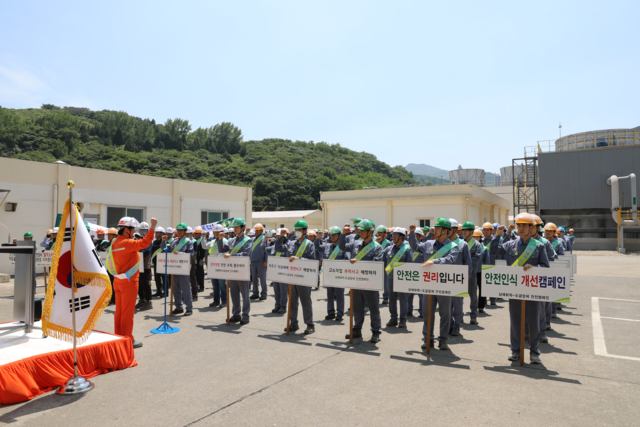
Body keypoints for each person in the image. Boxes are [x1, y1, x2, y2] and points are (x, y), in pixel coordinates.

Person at [490, 213, 550, 365]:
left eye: (524, 226)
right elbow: (493, 251)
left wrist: (535, 267)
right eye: (519, 225)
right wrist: (498, 235)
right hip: (514, 289)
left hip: (532, 290)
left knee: (534, 321)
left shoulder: (538, 246)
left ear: (531, 228)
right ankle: (515, 350)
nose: (521, 228)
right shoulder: (510, 244)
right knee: (515, 321)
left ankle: (534, 351)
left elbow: (546, 267)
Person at [409, 218, 460, 351]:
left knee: (445, 314)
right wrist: (412, 233)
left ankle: (443, 339)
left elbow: (450, 259)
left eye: (437, 228)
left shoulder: (454, 246)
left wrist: (435, 261)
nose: (434, 230)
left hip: (444, 285)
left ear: (445, 231)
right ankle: (428, 339)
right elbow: (414, 247)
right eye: (435, 228)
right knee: (427, 313)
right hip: (429, 284)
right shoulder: (428, 244)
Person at [107, 216, 157, 348]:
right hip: (129, 282)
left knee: (119, 311)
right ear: (127, 230)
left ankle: (118, 336)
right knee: (128, 312)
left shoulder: (115, 243)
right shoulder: (127, 244)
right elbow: (145, 243)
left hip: (118, 281)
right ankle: (128, 338)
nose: (134, 231)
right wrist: (152, 227)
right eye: (133, 228)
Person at [339, 219, 384, 343]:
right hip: (356, 282)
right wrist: (343, 234)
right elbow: (342, 246)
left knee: (373, 308)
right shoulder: (355, 244)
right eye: (359, 230)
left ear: (370, 232)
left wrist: (360, 263)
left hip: (370, 283)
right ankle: (357, 329)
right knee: (357, 307)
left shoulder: (377, 247)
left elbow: (377, 264)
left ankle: (376, 332)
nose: (360, 232)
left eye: (362, 230)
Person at [275, 220, 317, 334]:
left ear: (305, 231)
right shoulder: (291, 243)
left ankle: (310, 324)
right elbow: (278, 248)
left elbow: (313, 261)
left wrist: (300, 259)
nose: (297, 232)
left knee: (305, 301)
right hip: (292, 276)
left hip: (304, 278)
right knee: (292, 301)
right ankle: (293, 323)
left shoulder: (309, 244)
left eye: (300, 230)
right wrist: (281, 236)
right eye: (296, 230)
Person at [218, 218, 252, 325]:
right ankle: (236, 314)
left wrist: (232, 255)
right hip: (232, 271)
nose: (235, 229)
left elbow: (246, 254)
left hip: (243, 271)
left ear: (243, 228)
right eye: (234, 227)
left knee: (245, 294)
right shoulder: (231, 240)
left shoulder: (248, 240)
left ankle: (245, 315)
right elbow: (222, 250)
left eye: (237, 227)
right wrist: (220, 239)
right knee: (234, 294)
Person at [315, 226, 350, 321]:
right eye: (331, 235)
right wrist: (318, 238)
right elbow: (317, 247)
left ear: (339, 236)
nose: (332, 237)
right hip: (329, 275)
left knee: (339, 295)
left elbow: (346, 260)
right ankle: (330, 312)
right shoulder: (327, 246)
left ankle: (339, 313)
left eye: (334, 235)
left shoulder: (343, 247)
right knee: (329, 294)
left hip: (339, 275)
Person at [161, 222, 195, 316]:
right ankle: (179, 307)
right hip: (174, 268)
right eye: (178, 230)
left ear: (185, 231)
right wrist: (163, 241)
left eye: (181, 230)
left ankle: (189, 308)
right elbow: (165, 251)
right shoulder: (174, 242)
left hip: (183, 268)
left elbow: (191, 255)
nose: (179, 232)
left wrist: (180, 254)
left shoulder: (188, 242)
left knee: (185, 288)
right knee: (175, 289)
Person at [383, 228, 413, 328]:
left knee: (403, 300)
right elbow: (382, 261)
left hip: (402, 279)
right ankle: (393, 318)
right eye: (393, 235)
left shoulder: (407, 249)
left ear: (401, 237)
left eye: (395, 235)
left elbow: (410, 265)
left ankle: (403, 319)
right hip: (390, 278)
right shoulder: (388, 249)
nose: (393, 237)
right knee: (392, 299)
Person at [449, 219, 471, 337]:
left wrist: (465, 279)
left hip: (458, 279)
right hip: (445, 278)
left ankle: (456, 325)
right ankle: (449, 324)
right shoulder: (444, 244)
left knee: (457, 304)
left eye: (449, 229)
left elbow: (467, 263)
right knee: (446, 305)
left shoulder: (463, 244)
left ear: (455, 230)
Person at [460, 221, 482, 325]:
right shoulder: (459, 242)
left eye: (466, 230)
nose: (464, 232)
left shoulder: (477, 244)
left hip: (471, 273)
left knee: (473, 295)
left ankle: (473, 315)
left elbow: (477, 257)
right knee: (458, 296)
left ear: (472, 231)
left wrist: (465, 262)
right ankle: (459, 317)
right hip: (460, 273)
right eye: (463, 230)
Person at [202, 224, 227, 308]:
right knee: (215, 285)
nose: (216, 233)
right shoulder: (212, 241)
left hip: (220, 266)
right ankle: (216, 301)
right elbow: (204, 246)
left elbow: (224, 253)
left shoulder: (225, 241)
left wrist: (216, 259)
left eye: (218, 232)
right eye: (215, 232)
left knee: (222, 285)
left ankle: (224, 301)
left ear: (222, 232)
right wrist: (203, 238)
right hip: (212, 266)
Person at [267, 228, 289, 314]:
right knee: (276, 289)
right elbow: (264, 249)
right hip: (275, 271)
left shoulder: (288, 246)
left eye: (280, 236)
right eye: (277, 236)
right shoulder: (275, 246)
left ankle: (283, 306)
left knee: (283, 290)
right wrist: (265, 241)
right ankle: (277, 305)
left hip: (283, 271)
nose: (278, 238)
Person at [406, 227, 425, 318]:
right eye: (414, 235)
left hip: (420, 273)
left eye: (417, 235)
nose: (416, 237)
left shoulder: (422, 246)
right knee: (409, 293)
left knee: (421, 294)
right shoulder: (408, 247)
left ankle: (421, 311)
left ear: (420, 236)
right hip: (410, 273)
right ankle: (409, 310)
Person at [135, 222, 154, 311]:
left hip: (145, 265)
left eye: (144, 230)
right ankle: (142, 300)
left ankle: (148, 301)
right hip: (137, 265)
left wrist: (137, 249)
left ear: (147, 231)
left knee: (145, 284)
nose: (142, 232)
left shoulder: (149, 240)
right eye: (141, 230)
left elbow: (146, 251)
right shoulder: (137, 239)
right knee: (138, 284)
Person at [249, 223, 269, 300]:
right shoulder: (253, 239)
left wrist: (266, 261)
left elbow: (267, 250)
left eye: (257, 230)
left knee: (262, 278)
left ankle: (264, 293)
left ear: (261, 231)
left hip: (261, 261)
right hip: (253, 261)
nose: (256, 232)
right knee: (254, 278)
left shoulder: (265, 239)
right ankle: (255, 293)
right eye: (255, 230)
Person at [481, 222, 498, 306]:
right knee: (483, 284)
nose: (486, 231)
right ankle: (483, 301)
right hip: (483, 264)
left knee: (492, 282)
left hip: (493, 262)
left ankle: (493, 298)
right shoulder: (481, 240)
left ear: (491, 231)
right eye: (485, 230)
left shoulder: (495, 240)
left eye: (488, 230)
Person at [151, 226, 165, 297]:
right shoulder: (154, 241)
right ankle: (159, 291)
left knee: (164, 277)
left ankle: (165, 292)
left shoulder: (164, 241)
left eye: (157, 232)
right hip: (155, 261)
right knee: (157, 277)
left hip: (162, 261)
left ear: (161, 233)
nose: (155, 234)